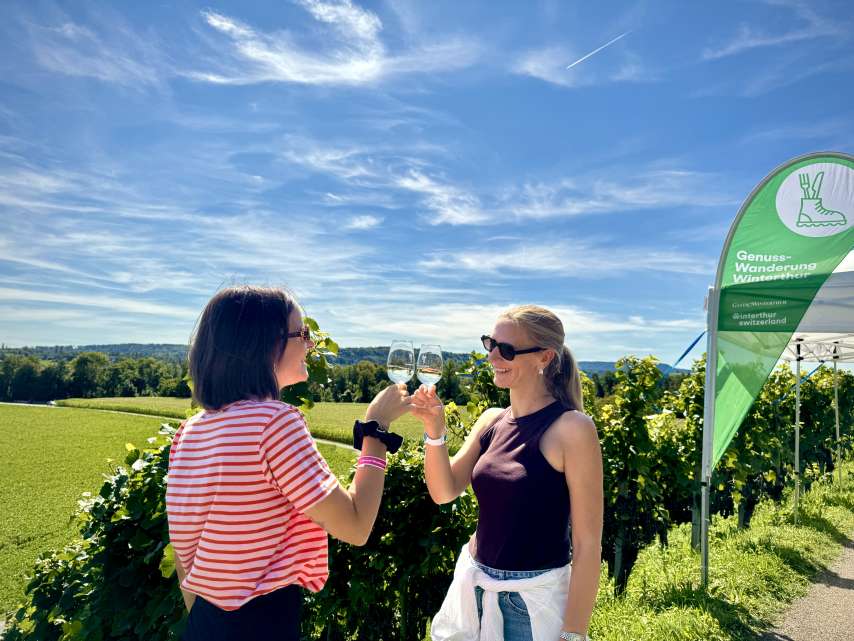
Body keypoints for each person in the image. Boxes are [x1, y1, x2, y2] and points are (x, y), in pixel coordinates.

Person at [165, 286, 411, 641]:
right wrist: (376, 428)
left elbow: (185, 556)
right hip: (262, 625)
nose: (310, 344)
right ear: (266, 343)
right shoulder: (274, 422)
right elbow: (356, 525)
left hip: (205, 622)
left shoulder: (190, 431)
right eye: (303, 333)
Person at [411, 305, 603, 641]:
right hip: (474, 588)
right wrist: (434, 431)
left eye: (507, 349)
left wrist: (574, 634)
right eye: (491, 344)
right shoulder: (491, 420)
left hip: (533, 601)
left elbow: (588, 544)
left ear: (545, 357)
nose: (493, 357)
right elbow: (444, 491)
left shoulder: (572, 429)